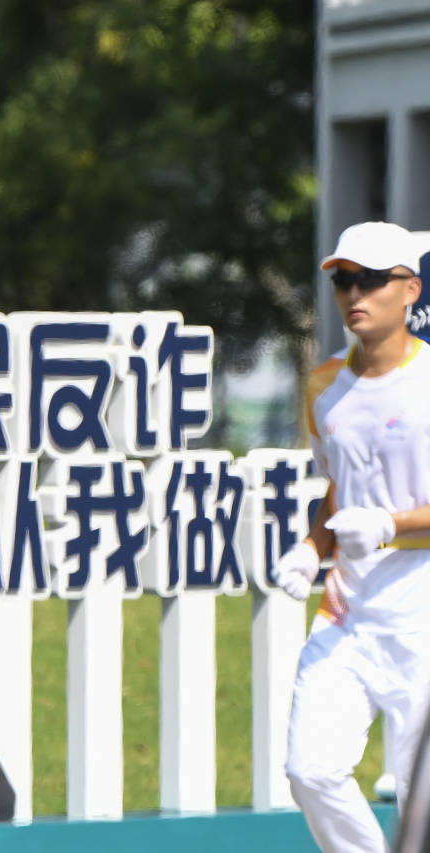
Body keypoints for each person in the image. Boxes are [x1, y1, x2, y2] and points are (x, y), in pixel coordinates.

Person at [277, 220, 430, 852]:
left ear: (411, 289)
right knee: (310, 770)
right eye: (344, 280)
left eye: (370, 279)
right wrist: (312, 548)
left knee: (421, 803)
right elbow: (340, 487)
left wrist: (391, 525)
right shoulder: (324, 386)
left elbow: (378, 512)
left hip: (421, 608)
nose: (354, 294)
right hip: (348, 608)